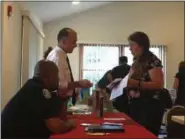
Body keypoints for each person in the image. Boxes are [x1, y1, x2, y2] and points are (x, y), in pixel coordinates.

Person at [1, 60, 76, 138]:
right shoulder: (40, 91)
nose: (58, 79)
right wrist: (70, 125)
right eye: (56, 76)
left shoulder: (33, 87)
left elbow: (60, 117)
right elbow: (55, 126)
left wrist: (61, 98)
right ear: (46, 78)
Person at [126, 31, 165, 135]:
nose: (129, 48)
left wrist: (135, 83)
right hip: (137, 105)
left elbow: (158, 84)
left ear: (141, 45)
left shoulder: (152, 60)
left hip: (149, 107)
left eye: (132, 45)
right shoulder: (137, 61)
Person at [46, 28, 92, 106]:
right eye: (74, 42)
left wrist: (76, 88)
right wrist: (79, 84)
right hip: (56, 102)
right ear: (64, 42)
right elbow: (60, 85)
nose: (76, 45)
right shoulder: (57, 57)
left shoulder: (62, 55)